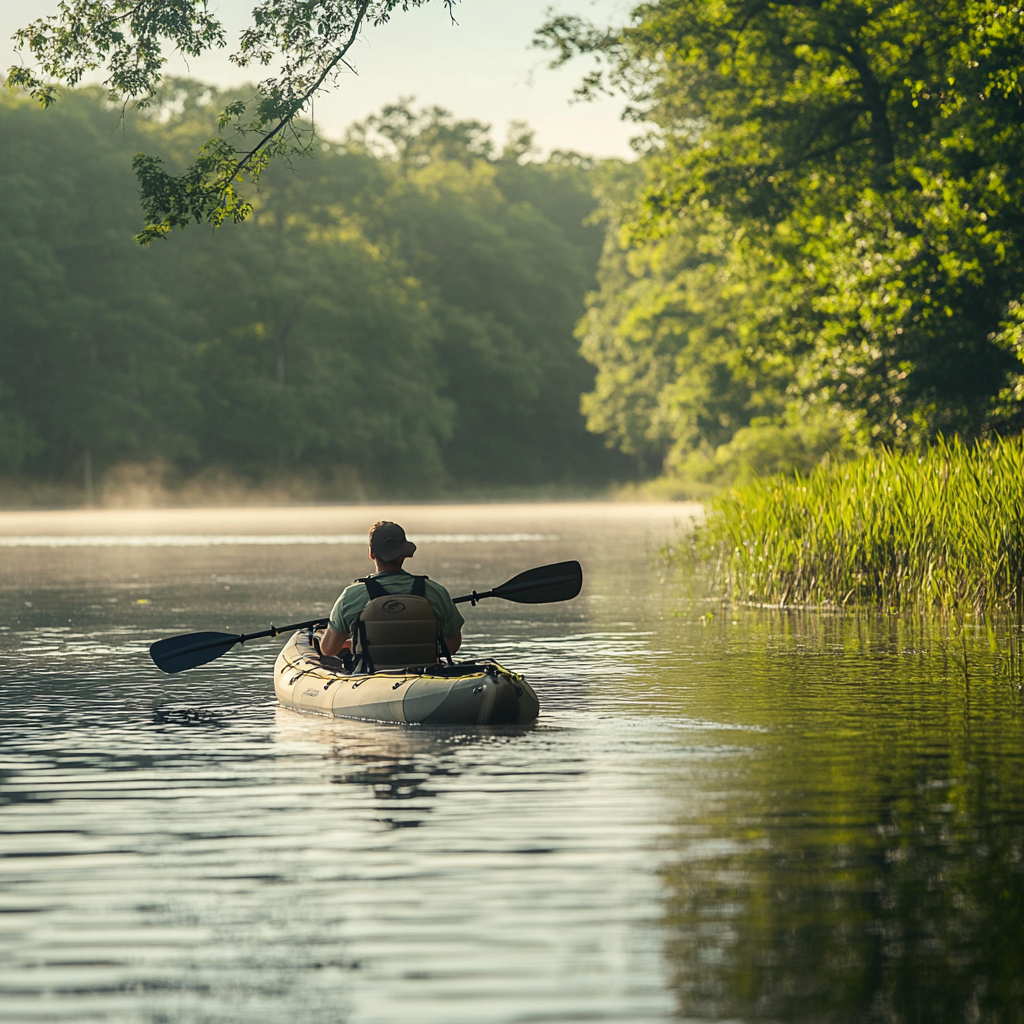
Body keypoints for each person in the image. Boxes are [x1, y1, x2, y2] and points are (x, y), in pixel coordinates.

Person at [318, 521, 464, 661]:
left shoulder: (352, 596)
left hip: (370, 677)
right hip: (424, 677)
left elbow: (329, 650)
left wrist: (353, 644)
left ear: (371, 554)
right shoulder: (435, 591)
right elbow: (452, 646)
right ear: (403, 554)